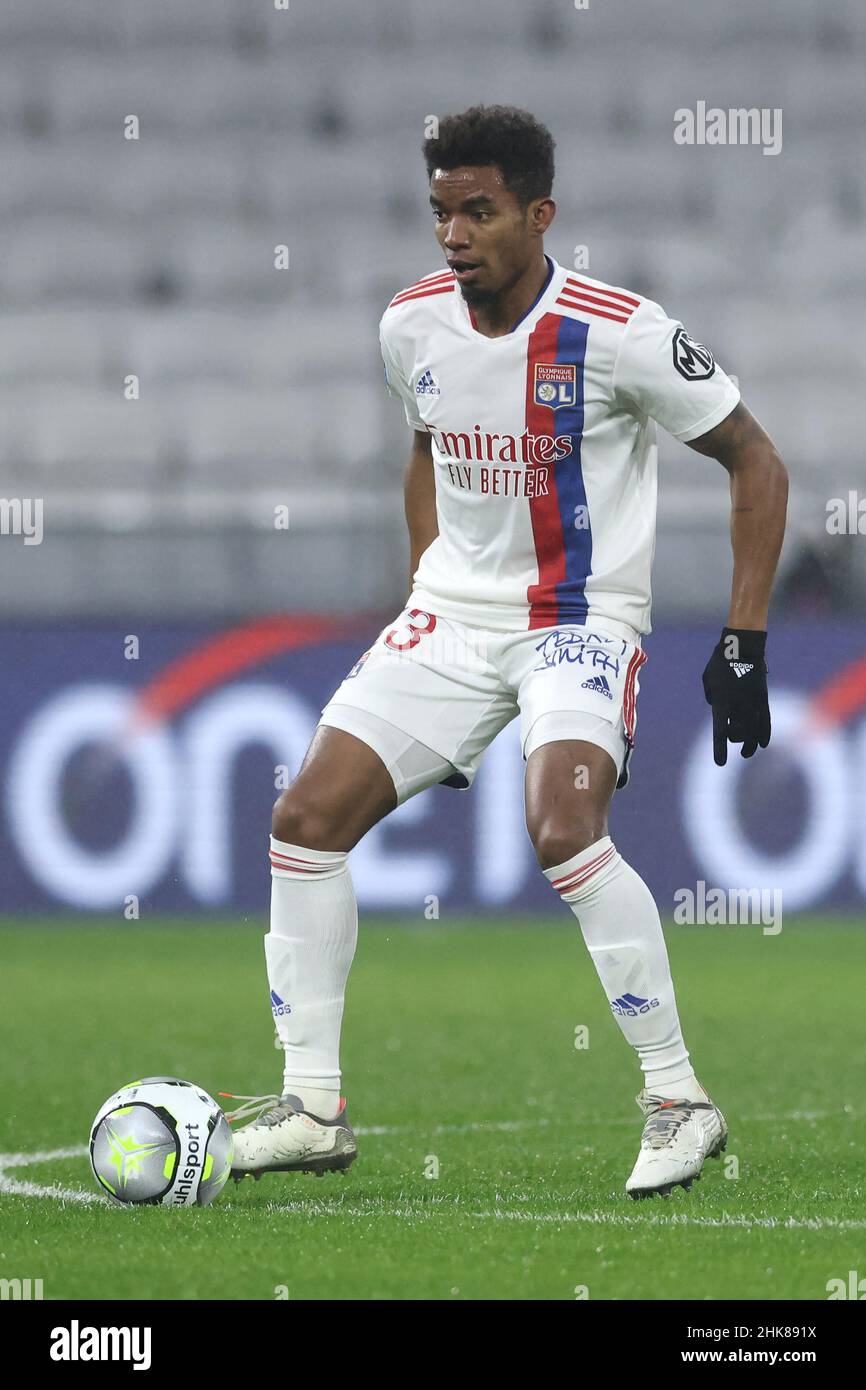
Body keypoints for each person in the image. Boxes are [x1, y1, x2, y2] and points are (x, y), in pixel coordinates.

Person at [227, 105, 787, 1198]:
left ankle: (678, 1100)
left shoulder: (618, 330)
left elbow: (753, 459)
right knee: (304, 824)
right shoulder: (409, 327)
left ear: (538, 215)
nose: (453, 233)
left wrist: (743, 639)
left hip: (576, 618)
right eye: (439, 211)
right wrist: (419, 600)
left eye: (476, 211)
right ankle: (312, 1106)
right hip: (450, 617)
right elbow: (427, 452)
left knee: (561, 825)